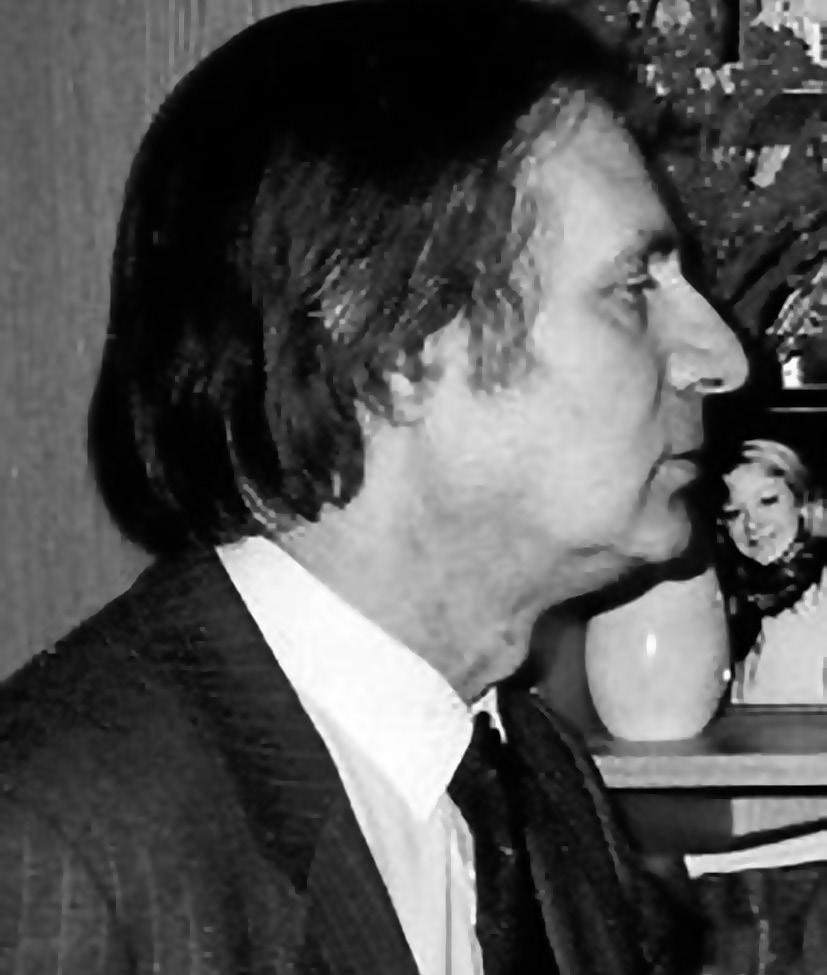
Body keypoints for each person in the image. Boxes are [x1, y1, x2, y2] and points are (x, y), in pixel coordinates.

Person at [0, 1, 747, 972]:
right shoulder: (55, 842)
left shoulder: (538, 781)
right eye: (632, 288)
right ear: (391, 347)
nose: (719, 356)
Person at [716, 438, 827, 704]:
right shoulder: (733, 597)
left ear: (801, 501)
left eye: (767, 501)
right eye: (734, 513)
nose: (752, 524)